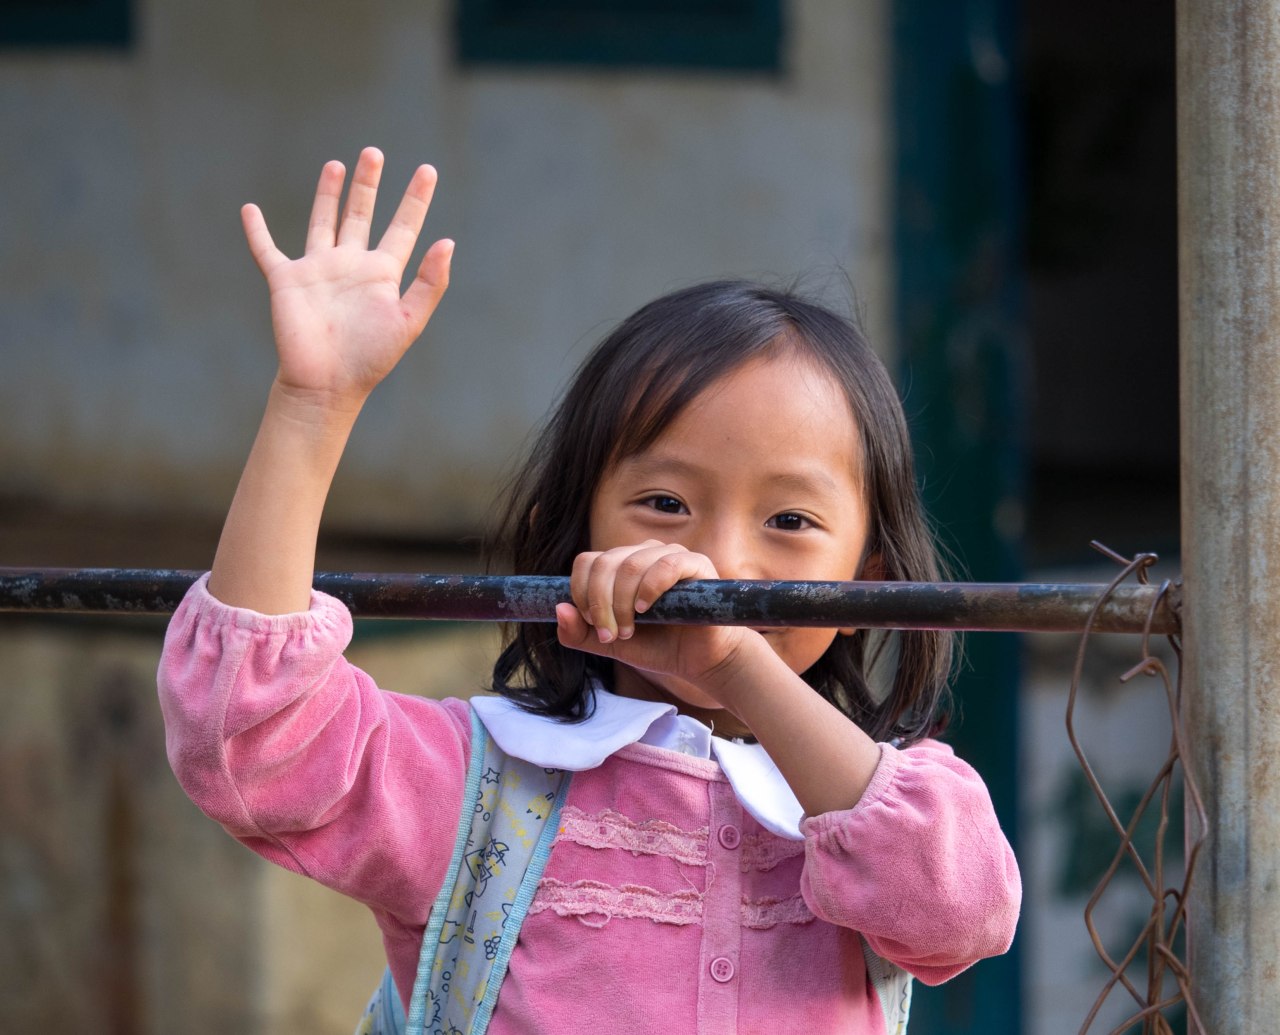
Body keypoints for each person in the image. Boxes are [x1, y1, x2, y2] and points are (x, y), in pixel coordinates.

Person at [158, 147, 1020, 1034]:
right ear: (574, 536)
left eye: (790, 521)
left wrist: (740, 671)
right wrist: (312, 405)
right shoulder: (478, 783)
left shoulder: (885, 796)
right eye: (664, 504)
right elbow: (250, 735)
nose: (716, 560)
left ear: (868, 577)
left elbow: (965, 914)